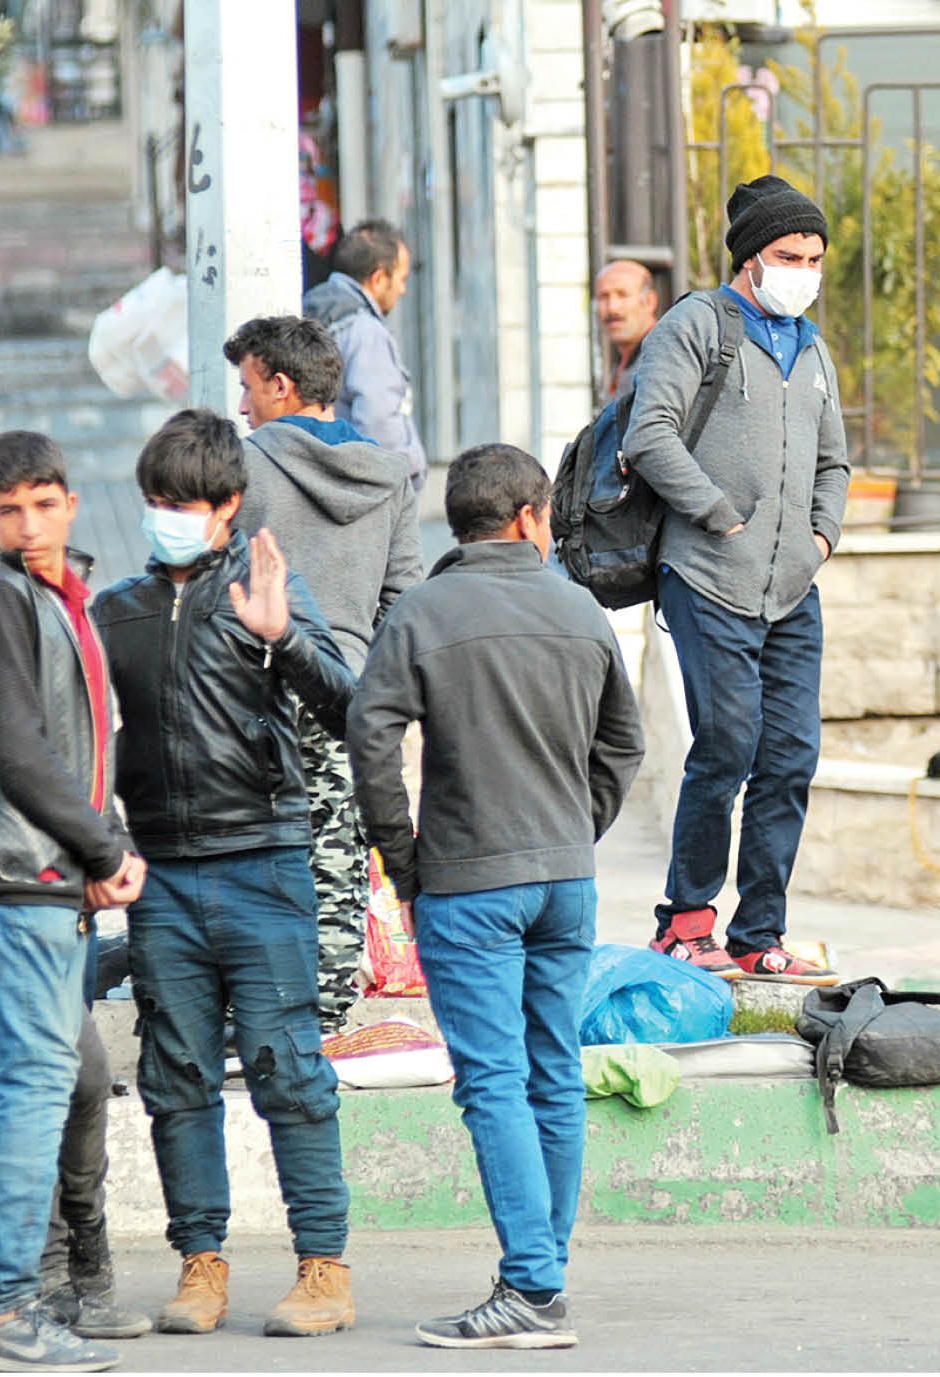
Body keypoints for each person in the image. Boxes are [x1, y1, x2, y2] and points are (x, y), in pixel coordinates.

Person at [347, 444, 644, 1349]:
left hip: (469, 881)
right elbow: (622, 747)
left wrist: (404, 856)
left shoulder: (424, 611)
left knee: (494, 1083)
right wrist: (570, 827)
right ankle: (540, 1278)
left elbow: (370, 734)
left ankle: (531, 1287)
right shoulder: (580, 610)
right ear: (528, 516)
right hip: (565, 880)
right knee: (551, 1072)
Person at [96, 411, 361, 1337]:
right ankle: (199, 1263)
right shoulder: (116, 610)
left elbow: (348, 706)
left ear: (230, 506)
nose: (168, 516)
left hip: (264, 865)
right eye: (157, 501)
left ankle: (324, 1269)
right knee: (176, 1075)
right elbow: (85, 741)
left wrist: (282, 638)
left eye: (187, 503)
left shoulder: (266, 589)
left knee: (290, 1071)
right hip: (162, 875)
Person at [0, 432, 145, 1374]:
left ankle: (21, 1302)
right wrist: (104, 849)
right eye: (5, 510)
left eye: (42, 504)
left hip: (48, 880)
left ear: (69, 504)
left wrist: (102, 848)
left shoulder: (63, 608)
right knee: (31, 1086)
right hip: (13, 877)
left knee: (50, 1083)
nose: (26, 524)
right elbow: (20, 755)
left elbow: (83, 753)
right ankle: (2, 1310)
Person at [621, 175, 849, 987]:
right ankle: (684, 920)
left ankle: (760, 930)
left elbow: (835, 459)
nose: (804, 270)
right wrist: (717, 513)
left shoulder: (812, 347)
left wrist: (822, 537)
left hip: (792, 587)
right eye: (790, 255)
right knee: (727, 746)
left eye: (815, 258)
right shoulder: (696, 327)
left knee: (790, 756)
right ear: (751, 259)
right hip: (709, 576)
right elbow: (649, 434)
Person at [225, 314, 426, 1032]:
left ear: (280, 385)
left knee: (251, 851)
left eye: (247, 387)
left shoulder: (243, 466)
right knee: (336, 855)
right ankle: (329, 1013)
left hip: (257, 682)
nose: (243, 404)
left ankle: (249, 1010)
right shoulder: (391, 475)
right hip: (350, 690)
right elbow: (404, 596)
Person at [303, 219, 428, 488]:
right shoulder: (365, 332)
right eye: (401, 279)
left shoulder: (313, 314)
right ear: (379, 278)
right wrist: (400, 479)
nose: (403, 290)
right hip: (369, 494)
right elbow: (379, 423)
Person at [594, 260, 664, 403]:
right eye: (603, 296)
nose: (612, 308)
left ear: (650, 301)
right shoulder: (625, 364)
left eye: (622, 294)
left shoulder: (663, 359)